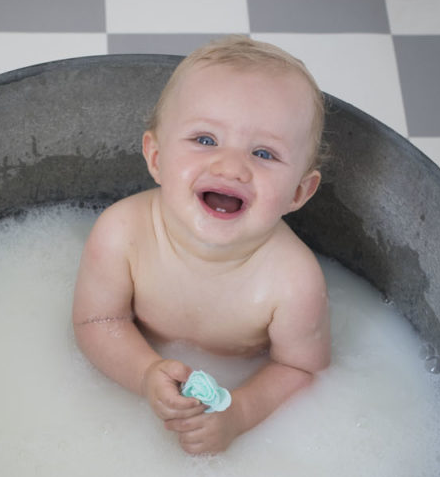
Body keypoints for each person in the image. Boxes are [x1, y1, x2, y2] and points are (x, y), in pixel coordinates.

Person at [72, 35, 330, 455]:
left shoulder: (293, 281)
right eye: (205, 140)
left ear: (299, 192)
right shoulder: (122, 233)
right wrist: (144, 373)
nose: (231, 166)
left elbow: (301, 369)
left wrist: (241, 413)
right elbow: (96, 322)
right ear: (156, 158)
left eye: (264, 153)